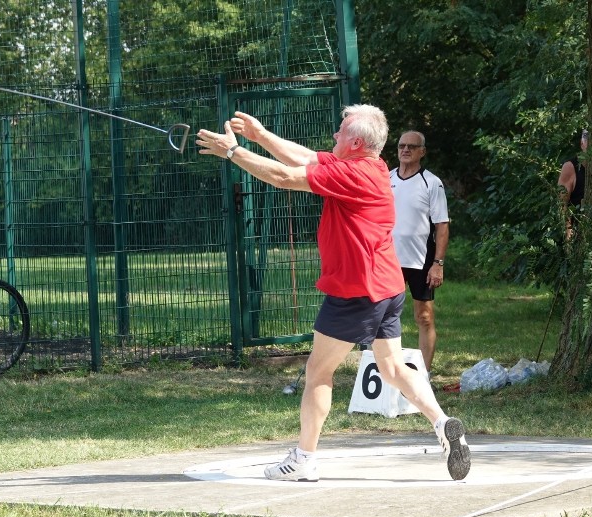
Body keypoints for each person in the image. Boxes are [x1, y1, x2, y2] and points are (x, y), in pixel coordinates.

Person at [196, 105, 471, 481]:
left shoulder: (354, 174)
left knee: (318, 372)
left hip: (356, 291)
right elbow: (308, 158)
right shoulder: (371, 166)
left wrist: (232, 152)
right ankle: (442, 423)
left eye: (340, 133)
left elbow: (283, 176)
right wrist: (259, 136)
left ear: (355, 142)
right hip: (386, 288)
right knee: (390, 367)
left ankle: (303, 460)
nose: (335, 137)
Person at [390, 131, 449, 374]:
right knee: (384, 317)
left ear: (422, 151)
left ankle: (423, 375)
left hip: (420, 260)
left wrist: (438, 263)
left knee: (424, 317)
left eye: (412, 147)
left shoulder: (432, 183)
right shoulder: (386, 178)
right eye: (402, 145)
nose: (406, 150)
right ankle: (390, 371)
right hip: (388, 259)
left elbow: (442, 226)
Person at [557, 129, 588, 239]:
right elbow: (562, 205)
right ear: (582, 144)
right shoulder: (570, 167)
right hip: (578, 236)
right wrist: (568, 237)